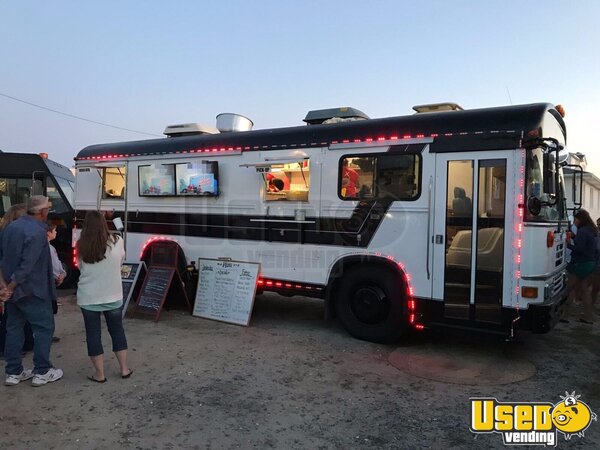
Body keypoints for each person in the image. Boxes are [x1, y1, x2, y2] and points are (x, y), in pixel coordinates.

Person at [0, 196, 63, 386]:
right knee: (44, 328)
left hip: (13, 291)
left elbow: (3, 258)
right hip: (33, 290)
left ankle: (13, 372)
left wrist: (4, 286)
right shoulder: (38, 231)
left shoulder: (10, 227)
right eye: (48, 208)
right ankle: (42, 371)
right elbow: (27, 266)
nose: (49, 212)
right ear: (42, 211)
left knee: (14, 328)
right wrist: (10, 287)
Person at [76, 210, 132, 382]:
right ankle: (124, 369)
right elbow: (121, 261)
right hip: (113, 294)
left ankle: (99, 374)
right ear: (103, 223)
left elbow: (79, 267)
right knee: (117, 331)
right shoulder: (117, 240)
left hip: (89, 297)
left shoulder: (81, 244)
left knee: (93, 334)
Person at [0, 204, 34, 356]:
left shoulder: (4, 234)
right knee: (13, 318)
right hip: (15, 282)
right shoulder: (19, 236)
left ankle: (17, 345)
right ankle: (14, 347)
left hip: (7, 281)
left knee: (12, 316)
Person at [564, 209, 597, 324]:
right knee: (585, 290)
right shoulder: (592, 230)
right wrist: (573, 238)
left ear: (580, 219)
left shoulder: (582, 231)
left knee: (568, 289)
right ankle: (588, 317)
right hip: (590, 263)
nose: (575, 222)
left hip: (580, 263)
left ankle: (564, 315)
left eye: (576, 219)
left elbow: (580, 249)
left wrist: (568, 244)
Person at [47, 222, 66, 342]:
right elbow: (54, 266)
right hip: (50, 282)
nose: (56, 232)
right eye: (54, 230)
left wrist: (63, 273)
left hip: (53, 280)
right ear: (48, 232)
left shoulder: (51, 247)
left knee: (51, 308)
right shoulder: (48, 248)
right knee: (49, 308)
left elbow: (57, 264)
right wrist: (59, 276)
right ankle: (47, 334)